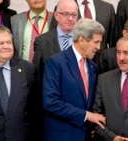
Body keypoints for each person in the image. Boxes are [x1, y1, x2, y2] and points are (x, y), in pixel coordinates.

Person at [42, 18, 106, 141]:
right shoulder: (56, 63)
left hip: (85, 136)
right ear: (81, 40)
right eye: (96, 42)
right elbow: (51, 102)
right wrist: (87, 116)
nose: (98, 47)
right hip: (61, 135)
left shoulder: (93, 67)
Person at [32, 0, 78, 140]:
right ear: (56, 15)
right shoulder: (42, 41)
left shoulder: (82, 41)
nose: (70, 18)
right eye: (65, 14)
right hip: (52, 112)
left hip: (77, 112)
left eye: (74, 15)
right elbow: (38, 77)